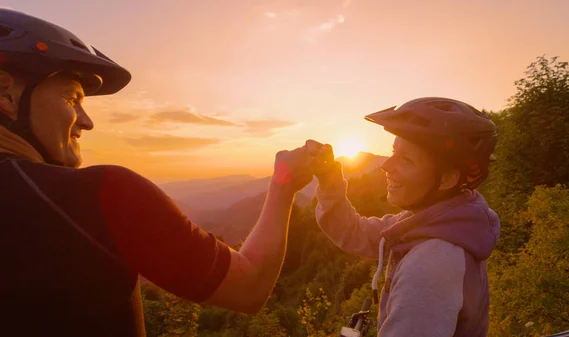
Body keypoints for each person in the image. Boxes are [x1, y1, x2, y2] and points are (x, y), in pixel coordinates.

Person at [0, 9, 314, 337]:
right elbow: (249, 288)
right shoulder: (103, 195)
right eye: (72, 99)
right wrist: (283, 185)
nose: (86, 120)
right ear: (6, 93)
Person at [307, 97, 501, 336]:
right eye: (393, 152)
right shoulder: (430, 224)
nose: (386, 166)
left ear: (448, 178)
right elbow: (355, 232)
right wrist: (329, 181)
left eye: (406, 160)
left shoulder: (430, 266)